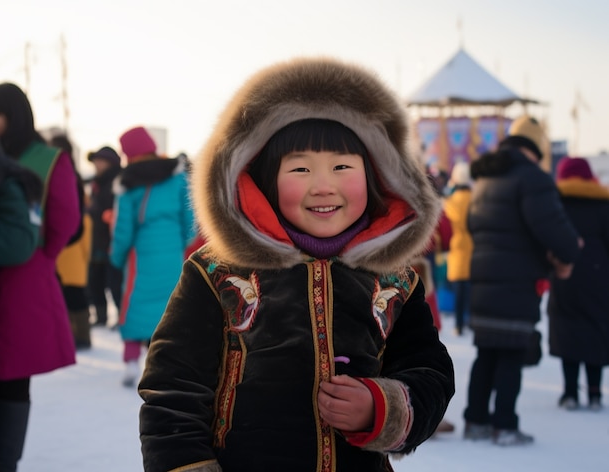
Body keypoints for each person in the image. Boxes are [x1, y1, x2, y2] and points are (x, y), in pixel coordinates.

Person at [138, 57, 455, 472]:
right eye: (301, 168)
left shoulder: (394, 280)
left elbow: (429, 371)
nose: (324, 185)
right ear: (263, 178)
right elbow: (171, 391)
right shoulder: (217, 274)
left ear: (378, 174)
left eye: (343, 167)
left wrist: (380, 408)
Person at [462, 115, 580, 446]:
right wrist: (570, 251)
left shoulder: (485, 179)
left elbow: (473, 226)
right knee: (511, 353)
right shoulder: (532, 178)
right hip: (516, 281)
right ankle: (504, 425)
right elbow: (553, 228)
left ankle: (476, 420)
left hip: (485, 279)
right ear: (536, 148)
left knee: (486, 353)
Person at [0, 82, 80, 471]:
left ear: (14, 115)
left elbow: (66, 221)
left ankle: (5, 460)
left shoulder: (48, 158)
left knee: (10, 374)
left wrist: (39, 261)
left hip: (21, 283)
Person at [110, 126, 195, 387]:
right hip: (172, 253)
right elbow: (191, 218)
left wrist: (117, 256)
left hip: (140, 254)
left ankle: (131, 361)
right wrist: (180, 246)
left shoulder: (128, 183)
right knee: (169, 305)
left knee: (133, 304)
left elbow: (123, 228)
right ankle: (164, 361)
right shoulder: (177, 176)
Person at [0, 129, 43, 472]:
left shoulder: (13, 180)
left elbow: (24, 240)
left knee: (9, 377)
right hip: (7, 293)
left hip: (14, 295)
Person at [548, 156, 609, 411]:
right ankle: (595, 393)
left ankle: (570, 392)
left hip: (566, 272)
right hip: (599, 275)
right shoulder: (604, 203)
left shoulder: (555, 203)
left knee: (567, 329)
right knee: (596, 329)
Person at [50, 134, 94, 350]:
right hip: (67, 248)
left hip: (70, 247)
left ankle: (80, 336)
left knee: (74, 295)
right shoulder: (71, 175)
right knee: (67, 295)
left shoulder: (68, 176)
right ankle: (73, 336)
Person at [86, 146, 123, 327]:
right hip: (97, 239)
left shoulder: (119, 180)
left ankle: (121, 317)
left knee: (115, 282)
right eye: (96, 161)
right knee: (95, 280)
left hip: (113, 240)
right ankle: (101, 316)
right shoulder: (97, 183)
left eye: (101, 161)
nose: (97, 165)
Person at [443, 161, 473, 336]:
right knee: (471, 290)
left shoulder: (450, 202)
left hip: (455, 249)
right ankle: (471, 321)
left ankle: (458, 324)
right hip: (473, 248)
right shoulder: (475, 199)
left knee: (458, 291)